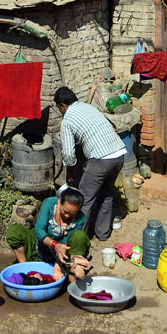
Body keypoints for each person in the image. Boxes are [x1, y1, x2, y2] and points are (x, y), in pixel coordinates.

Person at [53, 86, 126, 242]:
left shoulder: (67, 120)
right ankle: (103, 234)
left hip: (101, 159)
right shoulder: (88, 107)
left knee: (84, 200)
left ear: (62, 106)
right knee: (106, 195)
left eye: (59, 108)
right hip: (119, 154)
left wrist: (70, 174)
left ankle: (80, 241)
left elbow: (69, 154)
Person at [6, 187, 91, 282]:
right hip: (39, 249)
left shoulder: (80, 217)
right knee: (14, 231)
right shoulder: (49, 204)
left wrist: (58, 265)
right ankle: (25, 268)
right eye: (65, 211)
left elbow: (67, 243)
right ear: (60, 201)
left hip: (62, 257)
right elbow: (39, 230)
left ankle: (72, 279)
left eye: (72, 214)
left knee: (80, 236)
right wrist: (55, 245)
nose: (67, 216)